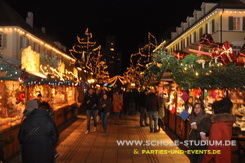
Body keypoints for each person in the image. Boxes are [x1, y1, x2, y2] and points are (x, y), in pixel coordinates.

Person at [202, 98, 236, 163]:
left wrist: (204, 160)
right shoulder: (227, 123)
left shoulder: (217, 125)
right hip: (225, 157)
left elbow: (213, 147)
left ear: (215, 111)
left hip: (217, 158)